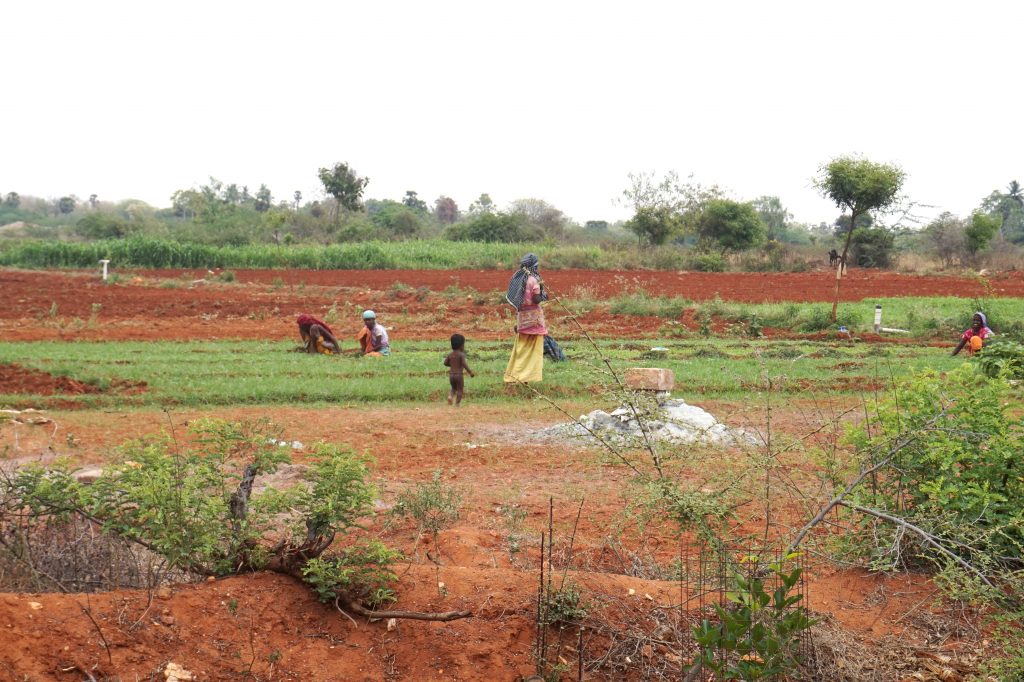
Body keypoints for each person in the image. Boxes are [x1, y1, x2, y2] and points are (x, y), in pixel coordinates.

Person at [504, 253, 548, 383]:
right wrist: (543, 293)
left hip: (522, 317)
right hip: (534, 318)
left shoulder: (518, 279)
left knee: (522, 348)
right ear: (534, 266)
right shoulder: (534, 280)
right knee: (533, 349)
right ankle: (525, 377)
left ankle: (516, 375)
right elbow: (536, 299)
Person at [444, 333, 475, 406]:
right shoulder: (461, 354)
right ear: (461, 346)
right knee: (460, 389)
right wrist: (470, 372)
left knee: (453, 388)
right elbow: (464, 364)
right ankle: (457, 403)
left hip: (451, 375)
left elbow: (445, 363)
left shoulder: (450, 354)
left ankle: (450, 396)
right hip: (459, 375)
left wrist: (451, 364)